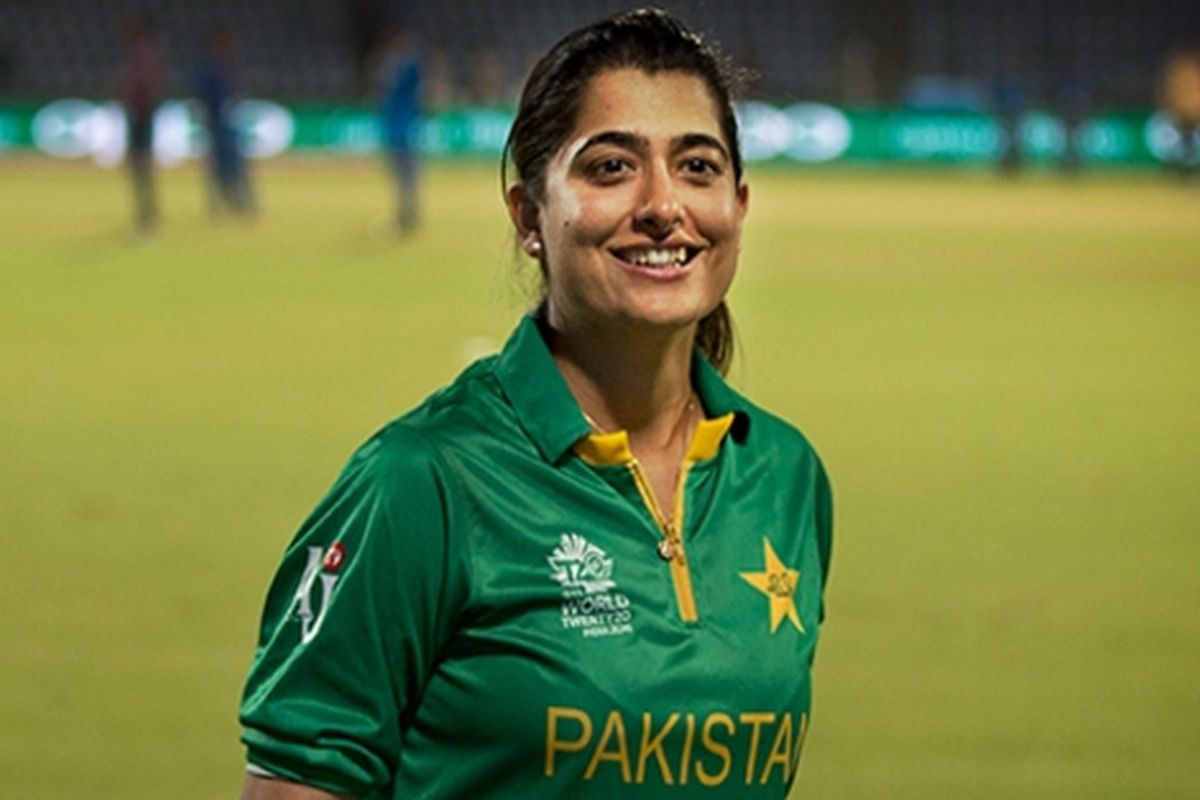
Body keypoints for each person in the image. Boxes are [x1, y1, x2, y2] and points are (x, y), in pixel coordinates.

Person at [237, 9, 833, 799]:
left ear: (739, 206)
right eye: (612, 168)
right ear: (529, 216)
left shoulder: (785, 476)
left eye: (697, 167)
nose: (663, 205)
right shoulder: (422, 482)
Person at [195, 26, 255, 219]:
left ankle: (240, 201)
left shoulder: (229, 67)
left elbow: (238, 92)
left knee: (236, 164)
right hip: (216, 123)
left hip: (230, 123)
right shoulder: (209, 69)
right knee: (217, 166)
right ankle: (219, 203)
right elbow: (202, 95)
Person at [117, 17, 167, 236]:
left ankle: (147, 213)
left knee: (141, 166)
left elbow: (144, 88)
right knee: (141, 167)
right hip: (141, 114)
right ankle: (147, 211)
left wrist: (136, 103)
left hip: (141, 115)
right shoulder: (144, 56)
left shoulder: (143, 57)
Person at [373, 26, 423, 234]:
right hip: (395, 130)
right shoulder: (393, 67)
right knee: (400, 176)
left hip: (404, 131)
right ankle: (404, 213)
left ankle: (408, 214)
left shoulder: (406, 67)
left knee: (406, 175)